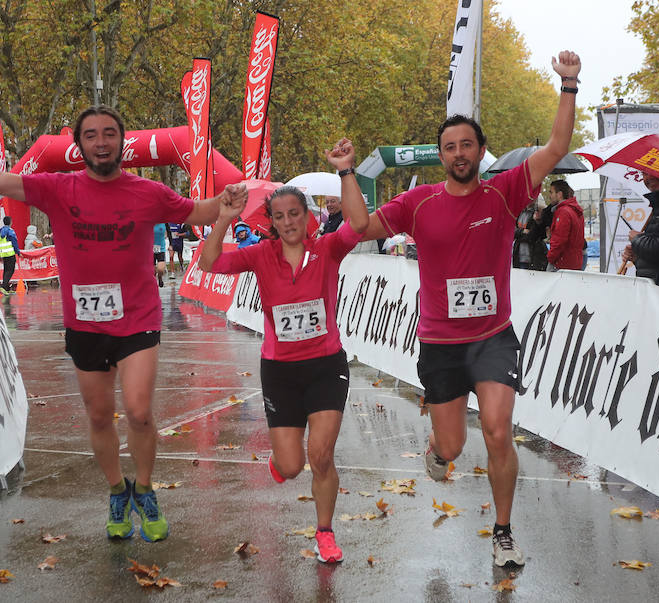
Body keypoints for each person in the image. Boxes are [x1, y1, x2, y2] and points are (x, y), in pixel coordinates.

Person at [0, 105, 247, 542]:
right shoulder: (57, 188)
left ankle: (145, 489)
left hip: (138, 318)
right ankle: (118, 491)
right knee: (98, 416)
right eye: (91, 135)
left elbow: (198, 213)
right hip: (86, 322)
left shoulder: (147, 192)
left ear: (121, 141)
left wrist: (225, 205)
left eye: (109, 133)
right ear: (79, 145)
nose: (101, 141)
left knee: (138, 411)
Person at [359, 51, 581, 568]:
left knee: (500, 431)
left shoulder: (506, 191)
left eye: (467, 145)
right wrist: (349, 174)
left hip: (492, 337)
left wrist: (568, 84)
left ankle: (503, 532)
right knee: (455, 447)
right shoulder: (418, 204)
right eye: (450, 147)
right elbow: (362, 228)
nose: (459, 153)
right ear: (442, 155)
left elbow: (556, 146)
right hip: (440, 343)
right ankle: (440, 451)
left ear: (482, 151)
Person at [199, 138, 368, 564]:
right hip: (280, 371)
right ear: (271, 221)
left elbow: (360, 224)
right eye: (280, 216)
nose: (289, 221)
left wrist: (346, 170)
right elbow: (208, 263)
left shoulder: (327, 249)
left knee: (321, 455)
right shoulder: (260, 255)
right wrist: (224, 217)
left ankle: (325, 532)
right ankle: (281, 463)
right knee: (292, 466)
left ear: (308, 216)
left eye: (295, 213)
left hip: (327, 366)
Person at [546, 180, 584, 271]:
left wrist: (550, 257)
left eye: (551, 192)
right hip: (574, 262)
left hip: (562, 263)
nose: (550, 196)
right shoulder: (575, 210)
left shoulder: (563, 212)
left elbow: (559, 240)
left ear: (559, 194)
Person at [0, 215, 22, 294]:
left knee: (6, 270)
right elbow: (14, 242)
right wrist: (18, 252)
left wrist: (0, 254)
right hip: (10, 253)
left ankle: (6, 288)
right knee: (10, 270)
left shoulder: (0, 232)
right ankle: (3, 286)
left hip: (4, 254)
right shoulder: (10, 231)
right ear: (10, 222)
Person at [153, 222, 167, 287]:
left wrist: (171, 245)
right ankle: (153, 283)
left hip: (161, 249)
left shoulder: (164, 222)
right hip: (150, 249)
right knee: (152, 272)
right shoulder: (148, 222)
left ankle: (160, 277)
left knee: (160, 269)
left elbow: (169, 233)